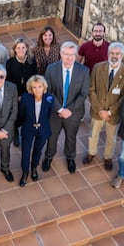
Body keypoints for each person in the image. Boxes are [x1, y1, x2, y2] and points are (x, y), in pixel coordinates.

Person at [83, 42, 124, 171]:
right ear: (108, 54)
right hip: (97, 111)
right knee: (93, 134)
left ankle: (108, 157)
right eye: (112, 53)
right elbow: (91, 89)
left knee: (111, 138)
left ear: (122, 55)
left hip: (114, 114)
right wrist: (99, 109)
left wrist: (110, 111)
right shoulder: (97, 67)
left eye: (117, 54)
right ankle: (91, 153)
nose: (114, 56)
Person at [42, 41, 90, 173]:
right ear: (60, 54)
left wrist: (69, 110)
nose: (69, 58)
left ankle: (70, 158)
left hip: (73, 113)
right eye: (66, 54)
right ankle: (49, 157)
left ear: (76, 56)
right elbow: (48, 92)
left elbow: (83, 94)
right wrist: (60, 109)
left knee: (71, 137)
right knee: (52, 137)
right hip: (55, 112)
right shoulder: (51, 69)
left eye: (72, 55)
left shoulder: (84, 71)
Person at [19, 75, 54, 187]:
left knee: (38, 151)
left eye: (40, 87)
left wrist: (41, 124)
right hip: (29, 128)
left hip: (42, 129)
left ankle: (34, 168)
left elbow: (48, 115)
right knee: (25, 152)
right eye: (34, 87)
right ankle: (25, 172)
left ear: (44, 87)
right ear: (30, 88)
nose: (37, 90)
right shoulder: (25, 98)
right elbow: (21, 114)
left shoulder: (49, 99)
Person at [6, 38, 38, 146]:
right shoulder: (10, 63)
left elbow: (35, 78)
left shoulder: (31, 61)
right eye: (18, 48)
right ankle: (15, 134)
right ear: (15, 49)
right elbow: (8, 81)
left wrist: (30, 94)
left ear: (27, 48)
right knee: (15, 115)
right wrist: (16, 96)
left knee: (28, 115)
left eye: (23, 47)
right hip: (15, 95)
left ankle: (26, 133)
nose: (21, 50)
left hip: (28, 94)